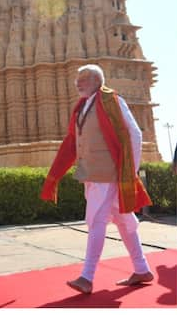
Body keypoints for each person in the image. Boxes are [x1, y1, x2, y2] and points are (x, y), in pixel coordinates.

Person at [40, 65, 153, 294]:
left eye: (83, 79)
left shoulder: (111, 101)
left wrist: (130, 169)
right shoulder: (82, 107)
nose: (77, 83)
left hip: (108, 173)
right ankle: (141, 268)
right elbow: (72, 141)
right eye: (76, 80)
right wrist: (55, 174)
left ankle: (87, 277)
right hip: (92, 174)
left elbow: (135, 133)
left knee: (96, 219)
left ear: (97, 80)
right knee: (123, 220)